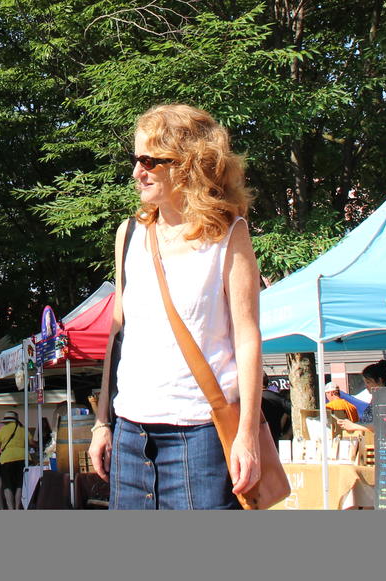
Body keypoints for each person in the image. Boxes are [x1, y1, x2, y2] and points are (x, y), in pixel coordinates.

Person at [88, 104, 266, 509]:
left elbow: (248, 337)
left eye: (151, 161)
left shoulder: (229, 234)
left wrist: (248, 435)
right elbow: (118, 333)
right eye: (136, 159)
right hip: (130, 435)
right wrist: (102, 423)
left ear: (190, 164)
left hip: (199, 435)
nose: (138, 172)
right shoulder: (129, 233)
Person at [333, 362, 386, 436]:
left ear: (379, 380)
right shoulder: (377, 398)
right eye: (365, 382)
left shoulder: (385, 398)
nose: (366, 386)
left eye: (368, 382)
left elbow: (382, 425)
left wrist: (353, 426)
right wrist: (350, 424)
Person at [0, 410, 26, 509]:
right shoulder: (22, 429)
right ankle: (18, 507)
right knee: (19, 485)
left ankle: (10, 508)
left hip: (6, 459)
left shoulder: (3, 429)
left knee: (7, 485)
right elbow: (30, 442)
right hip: (22, 458)